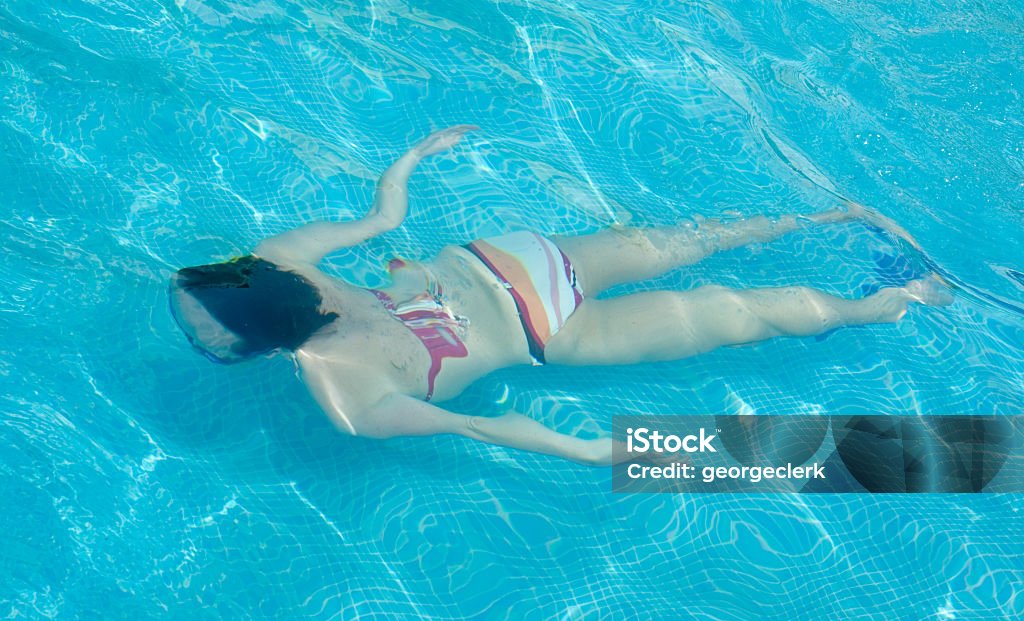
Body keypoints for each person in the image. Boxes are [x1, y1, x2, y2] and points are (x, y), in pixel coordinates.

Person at [169, 126, 950, 465]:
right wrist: (415, 155)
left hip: (546, 328)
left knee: (734, 312)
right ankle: (839, 216)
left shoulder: (348, 398)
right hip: (513, 258)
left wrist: (591, 450)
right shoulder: (280, 257)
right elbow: (384, 215)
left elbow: (485, 428)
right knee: (696, 238)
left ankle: (905, 297)